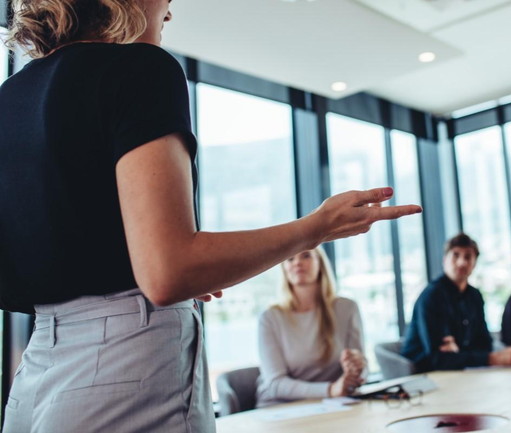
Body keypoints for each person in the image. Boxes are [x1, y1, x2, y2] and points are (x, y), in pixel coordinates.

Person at [0, 1, 421, 431]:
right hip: (125, 362)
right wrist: (316, 228)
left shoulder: (9, 97)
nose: (170, 11)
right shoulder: (142, 68)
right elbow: (168, 274)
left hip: (34, 373)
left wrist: (176, 266)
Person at [256, 248, 365, 408]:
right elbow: (275, 384)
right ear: (284, 268)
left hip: (333, 404)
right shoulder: (270, 317)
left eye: (306, 256)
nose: (297, 262)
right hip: (281, 406)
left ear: (320, 263)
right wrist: (330, 390)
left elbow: (361, 367)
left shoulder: (347, 308)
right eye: (290, 258)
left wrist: (358, 370)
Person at [401, 233, 511, 372]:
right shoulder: (431, 296)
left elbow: (484, 344)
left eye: (468, 257)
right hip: (422, 374)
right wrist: (491, 358)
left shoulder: (474, 296)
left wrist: (459, 351)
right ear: (444, 260)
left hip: (459, 371)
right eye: (455, 255)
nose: (461, 262)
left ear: (475, 263)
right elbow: (437, 358)